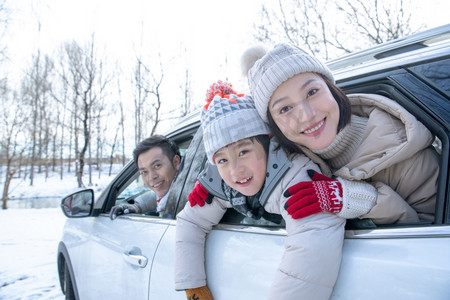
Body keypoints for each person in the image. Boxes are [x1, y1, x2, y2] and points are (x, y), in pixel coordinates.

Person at [175, 81, 358, 299]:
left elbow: (311, 250)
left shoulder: (296, 176)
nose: (235, 170)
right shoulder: (220, 184)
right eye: (222, 160)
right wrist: (193, 284)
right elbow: (190, 221)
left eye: (244, 152)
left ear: (268, 145)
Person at [242, 43, 439, 224]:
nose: (307, 116)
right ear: (274, 125)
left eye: (311, 92)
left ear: (332, 88)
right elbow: (236, 165)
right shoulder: (282, 166)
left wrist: (364, 201)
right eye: (285, 109)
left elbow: (431, 246)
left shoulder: (412, 158)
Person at [109, 135, 181, 219]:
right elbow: (158, 196)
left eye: (157, 166)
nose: (151, 177)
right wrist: (136, 207)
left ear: (176, 162)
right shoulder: (175, 187)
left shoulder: (193, 196)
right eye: (144, 172)